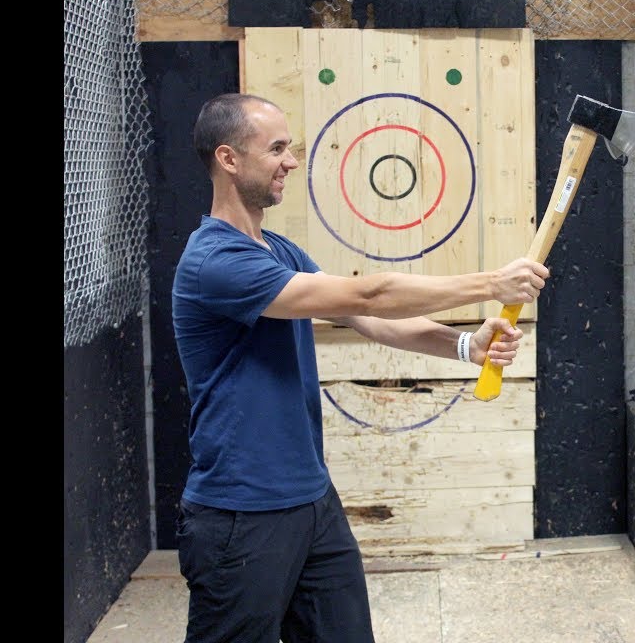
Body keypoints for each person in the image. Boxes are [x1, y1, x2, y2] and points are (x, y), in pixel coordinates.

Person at [172, 92, 551, 643]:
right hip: (240, 513)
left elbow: (364, 318)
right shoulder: (216, 262)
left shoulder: (277, 251)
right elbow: (371, 294)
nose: (292, 162)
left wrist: (466, 345)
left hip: (311, 501)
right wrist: (490, 284)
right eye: (276, 148)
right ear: (228, 159)